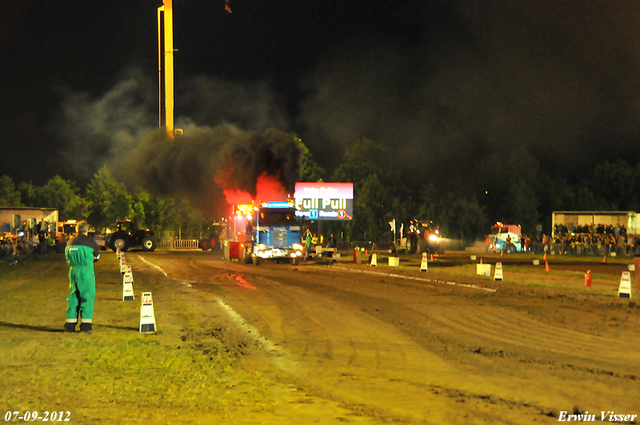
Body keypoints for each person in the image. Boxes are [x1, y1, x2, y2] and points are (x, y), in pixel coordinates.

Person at [64, 221, 100, 334]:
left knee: (73, 297)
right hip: (86, 272)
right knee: (87, 297)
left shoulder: (70, 242)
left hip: (73, 271)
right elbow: (97, 257)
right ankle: (85, 326)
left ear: (76, 230)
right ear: (87, 230)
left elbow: (67, 257)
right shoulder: (91, 242)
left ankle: (69, 325)